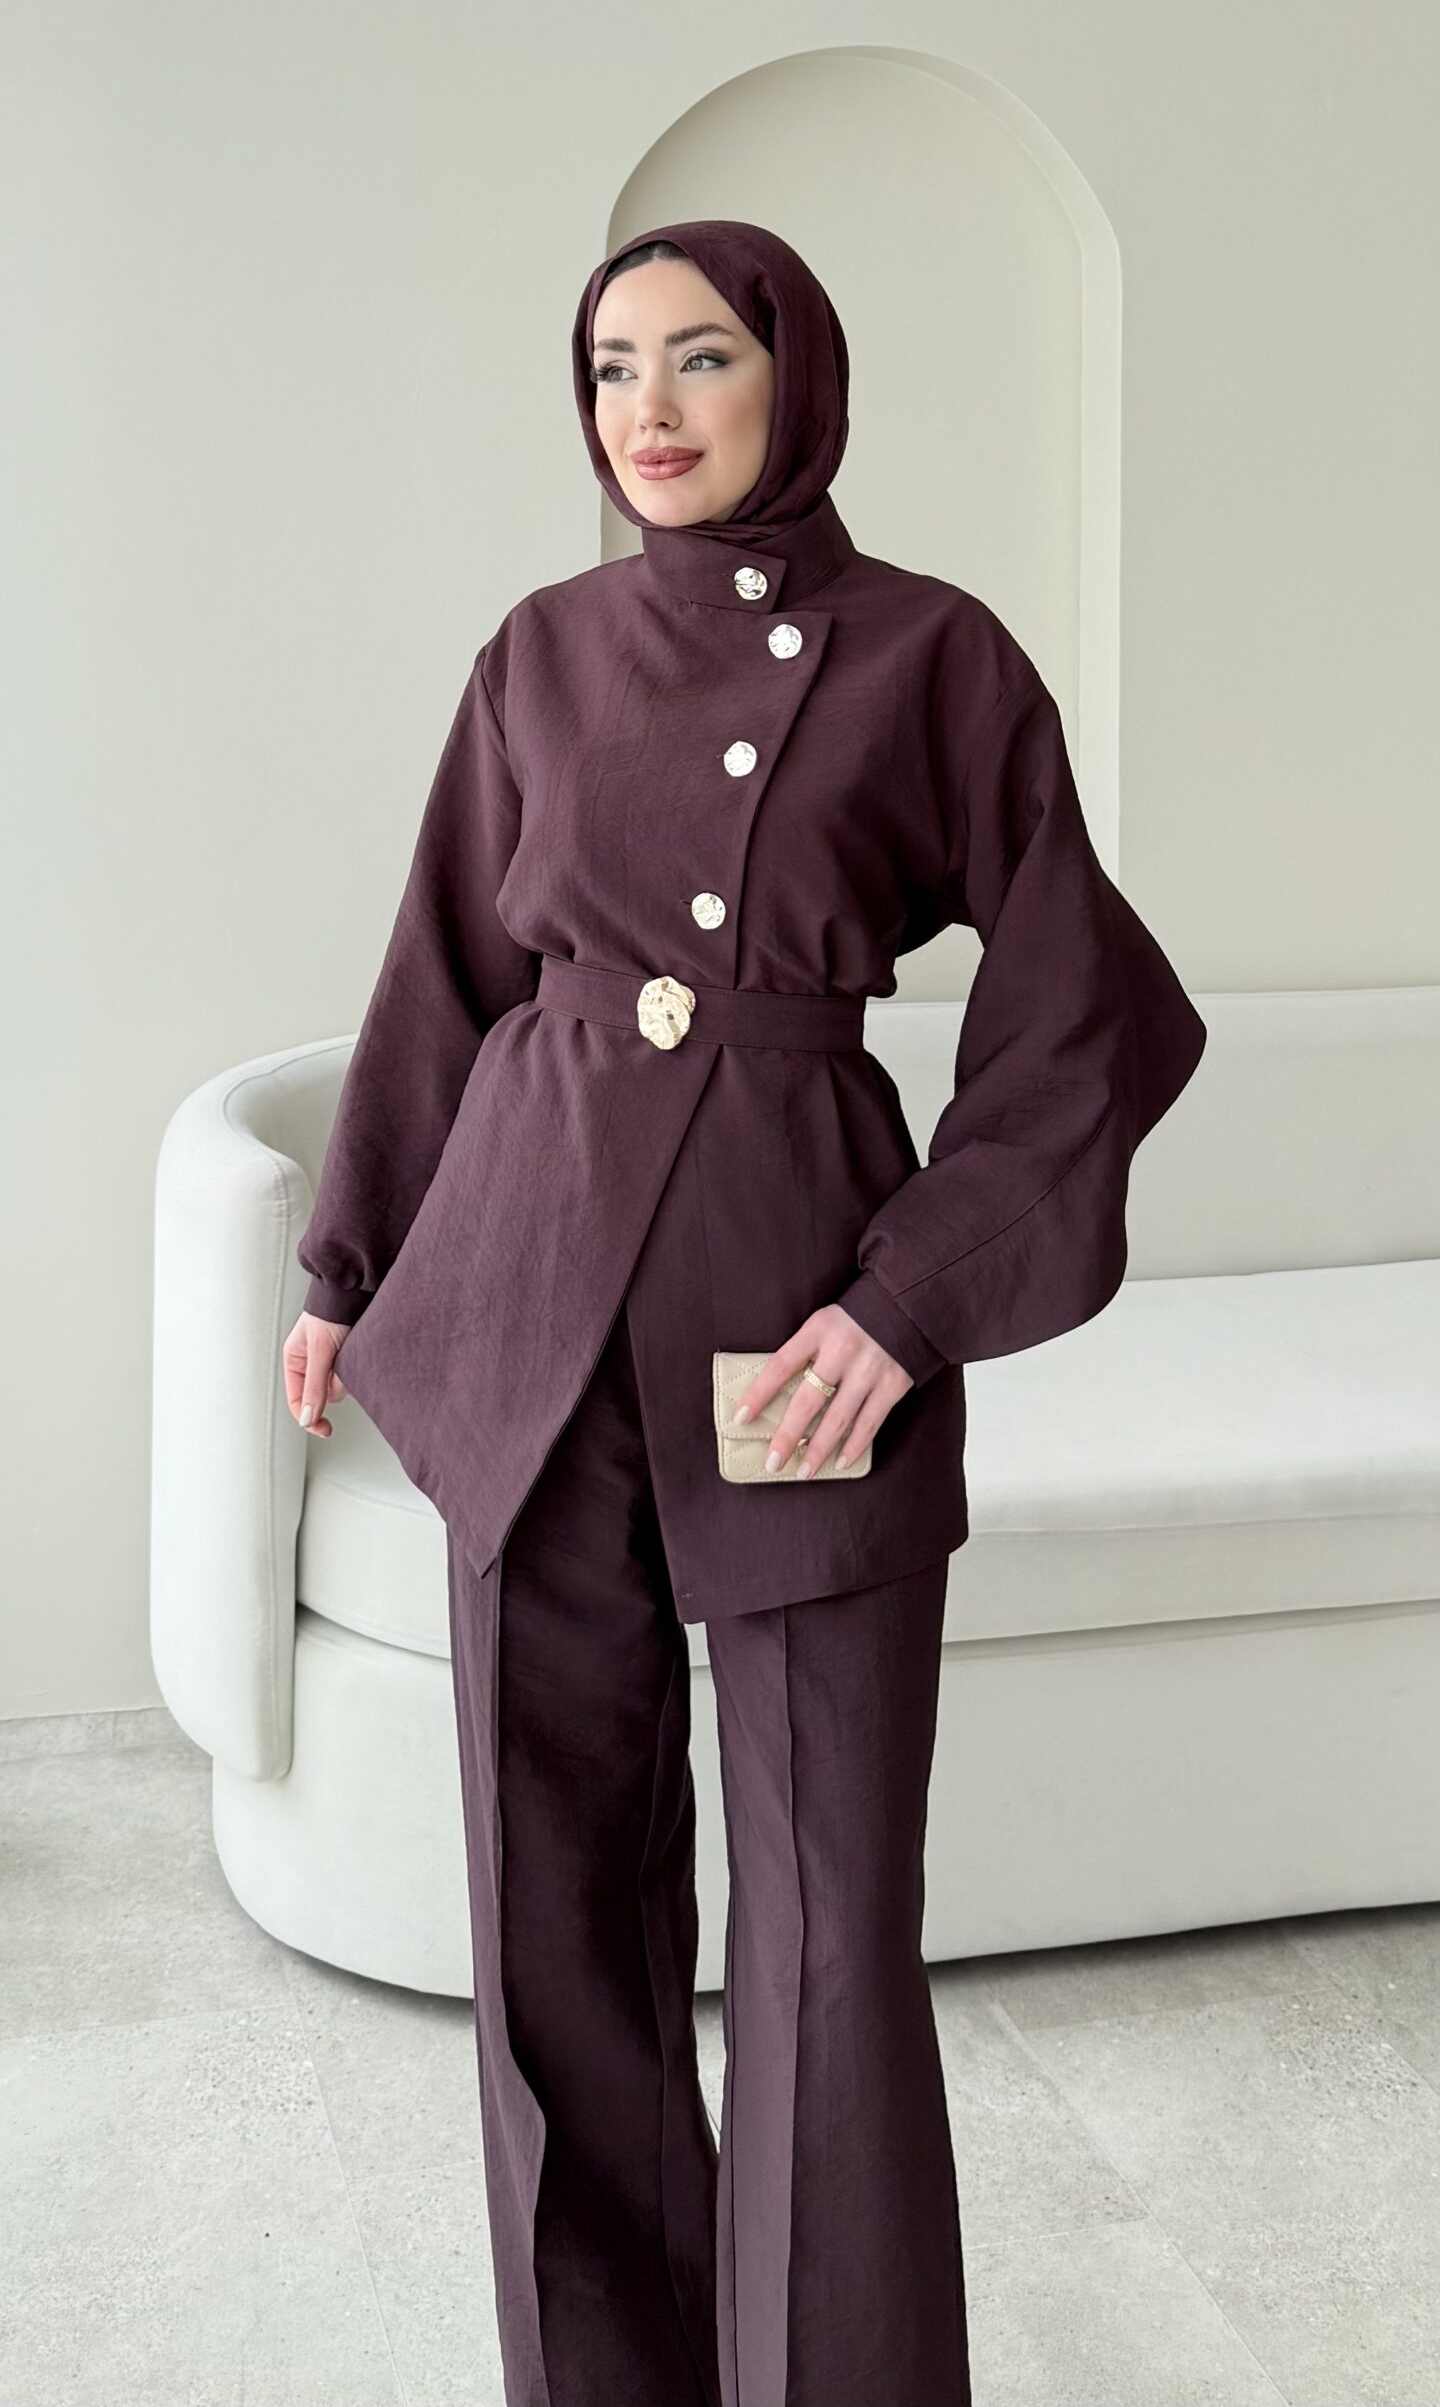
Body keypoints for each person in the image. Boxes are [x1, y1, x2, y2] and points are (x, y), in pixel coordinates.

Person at [282, 218, 1207, 2407]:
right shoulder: (538, 653)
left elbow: (1092, 1016)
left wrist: (906, 1307)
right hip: (528, 1302)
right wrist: (349, 1263)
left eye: (702, 357)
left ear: (799, 374)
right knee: (551, 1924)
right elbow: (444, 978)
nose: (653, 410)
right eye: (614, 368)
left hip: (795, 1323)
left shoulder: (935, 658)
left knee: (825, 1930)